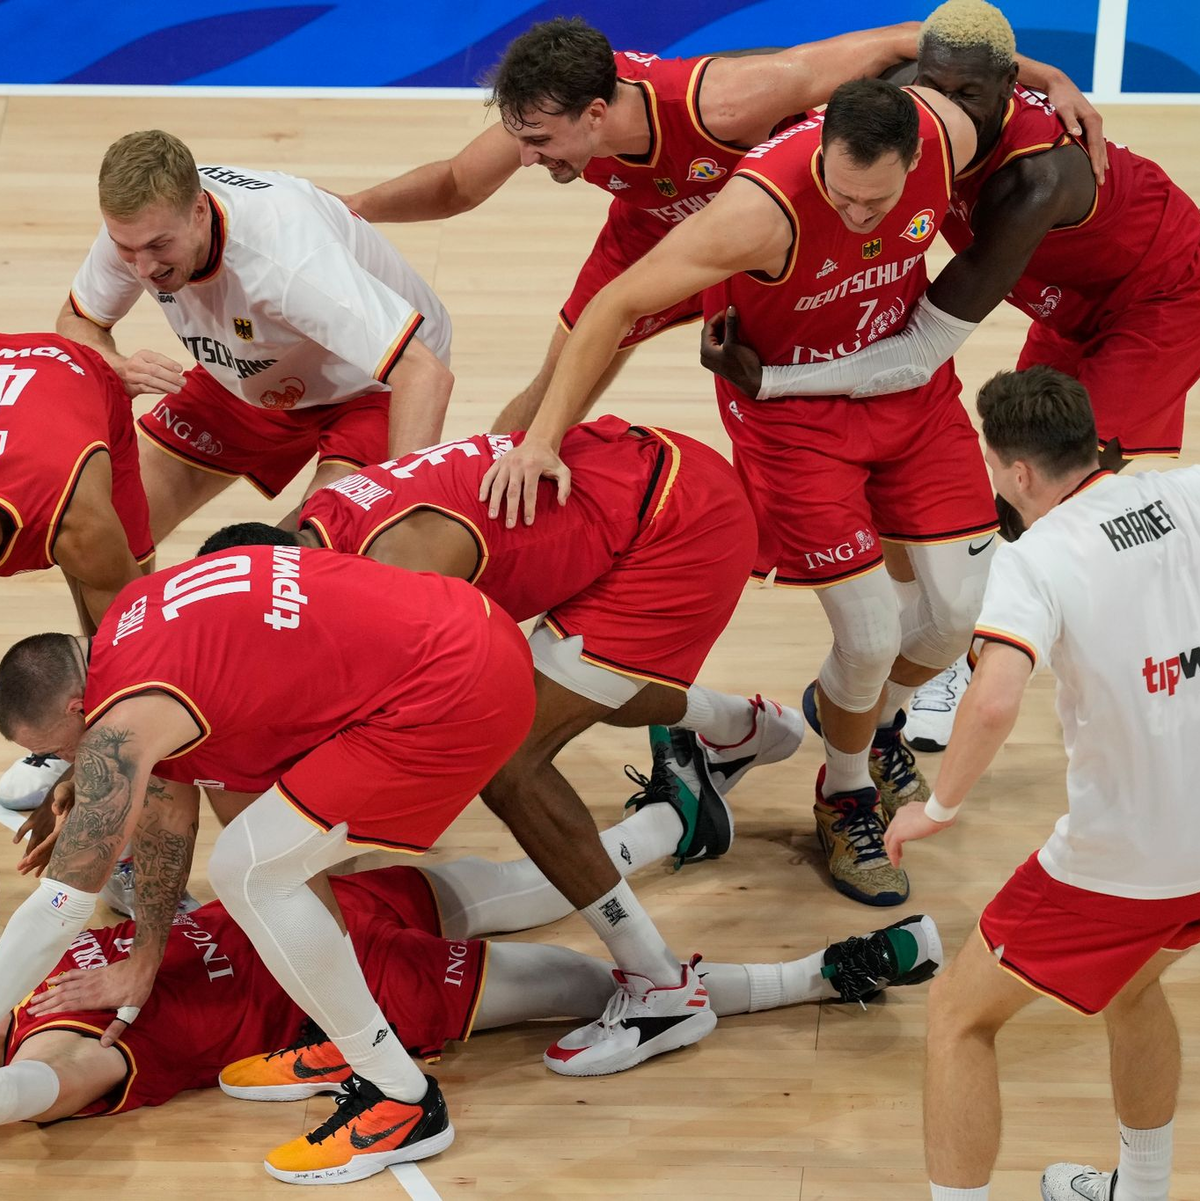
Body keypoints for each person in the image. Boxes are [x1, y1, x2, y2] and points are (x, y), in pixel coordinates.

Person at [480, 79, 997, 909]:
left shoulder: (951, 136)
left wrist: (1052, 84)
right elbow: (614, 305)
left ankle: (864, 720)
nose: (861, 217)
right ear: (821, 155)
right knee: (866, 638)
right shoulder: (760, 212)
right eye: (844, 195)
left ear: (917, 158)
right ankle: (846, 791)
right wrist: (541, 436)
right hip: (791, 417)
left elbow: (965, 66)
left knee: (954, 618)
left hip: (910, 392)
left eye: (880, 199)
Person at [200, 412, 805, 1076]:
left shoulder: (396, 571)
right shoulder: (304, 535)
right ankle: (740, 729)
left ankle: (662, 987)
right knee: (583, 684)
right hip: (641, 477)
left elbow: (455, 715)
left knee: (512, 761)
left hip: (676, 526)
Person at [704, 0, 1200, 753]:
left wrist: (772, 379)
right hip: (1066, 294)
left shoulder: (1035, 179)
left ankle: (970, 660)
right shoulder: (914, 102)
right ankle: (932, 641)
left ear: (1005, 88)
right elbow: (795, 72)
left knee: (1058, 483)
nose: (947, 106)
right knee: (1001, 475)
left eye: (971, 94)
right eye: (936, 85)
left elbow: (918, 351)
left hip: (1160, 294)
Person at [0, 544, 534, 1182]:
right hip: (466, 624)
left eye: (55, 750)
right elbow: (169, 819)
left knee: (250, 871)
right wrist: (143, 963)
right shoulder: (130, 620)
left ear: (75, 711)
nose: (64, 763)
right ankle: (351, 1042)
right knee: (264, 854)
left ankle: (403, 1101)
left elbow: (63, 907)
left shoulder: (120, 728)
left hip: (452, 690)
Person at [346, 16, 1097, 432]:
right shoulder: (542, 121)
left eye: (540, 143)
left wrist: (1048, 78)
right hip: (651, 235)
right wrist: (351, 208)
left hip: (777, 237)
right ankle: (483, 494)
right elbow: (452, 184)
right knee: (557, 383)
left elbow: (911, 41)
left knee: (846, 400)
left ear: (596, 113)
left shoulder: (732, 100)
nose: (528, 154)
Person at [884, 366, 1200, 1201]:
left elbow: (988, 702)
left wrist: (937, 806)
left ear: (1017, 473)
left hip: (1127, 859)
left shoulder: (1036, 559)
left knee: (959, 1014)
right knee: (1134, 983)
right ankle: (1141, 1190)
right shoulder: (1185, 495)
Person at [0, 855, 943, 1134]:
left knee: (564, 866)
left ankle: (697, 791)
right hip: (362, 988)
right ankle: (826, 970)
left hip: (325, 902)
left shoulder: (28, 950)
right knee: (587, 981)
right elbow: (50, 1084)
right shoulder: (42, 1047)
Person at [55, 129, 454, 549]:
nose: (142, 268)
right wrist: (115, 364)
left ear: (198, 210)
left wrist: (399, 511)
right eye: (126, 249)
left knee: (311, 558)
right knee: (104, 537)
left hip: (372, 381)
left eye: (158, 246)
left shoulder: (289, 263)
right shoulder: (139, 228)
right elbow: (77, 320)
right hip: (253, 367)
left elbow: (424, 373)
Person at [0, 332, 153, 813]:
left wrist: (91, 770)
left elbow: (142, 652)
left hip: (77, 376)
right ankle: (54, 732)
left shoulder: (77, 523)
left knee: (124, 632)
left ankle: (74, 740)